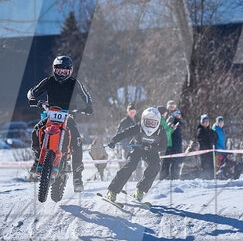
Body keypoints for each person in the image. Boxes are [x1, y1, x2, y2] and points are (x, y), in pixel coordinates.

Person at [27, 55, 93, 192]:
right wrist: (32, 98)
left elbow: (86, 96)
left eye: (65, 71)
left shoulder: (74, 83)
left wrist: (88, 106)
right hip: (50, 116)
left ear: (70, 71)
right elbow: (32, 92)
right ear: (54, 70)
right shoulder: (48, 81)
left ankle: (77, 177)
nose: (62, 74)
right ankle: (37, 159)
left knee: (77, 141)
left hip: (67, 117)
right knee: (36, 130)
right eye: (59, 70)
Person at [103, 107, 169, 204]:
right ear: (143, 120)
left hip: (151, 151)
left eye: (153, 123)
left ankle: (139, 191)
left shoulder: (161, 130)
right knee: (130, 166)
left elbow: (164, 146)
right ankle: (112, 191)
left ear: (158, 122)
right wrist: (114, 140)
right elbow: (125, 133)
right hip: (137, 149)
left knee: (155, 166)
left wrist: (153, 148)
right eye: (148, 122)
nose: (150, 125)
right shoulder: (139, 127)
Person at [196, 114, 217, 179]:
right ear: (202, 122)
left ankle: (211, 178)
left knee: (211, 166)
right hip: (205, 153)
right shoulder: (200, 130)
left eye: (207, 121)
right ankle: (206, 179)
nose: (206, 122)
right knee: (206, 167)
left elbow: (216, 137)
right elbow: (201, 141)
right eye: (204, 121)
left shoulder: (210, 131)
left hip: (211, 152)